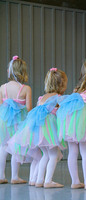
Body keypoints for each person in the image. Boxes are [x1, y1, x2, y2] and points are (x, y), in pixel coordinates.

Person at [8, 68, 68, 188]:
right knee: (53, 155)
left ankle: (39, 180)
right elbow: (61, 114)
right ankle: (48, 181)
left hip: (37, 130)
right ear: (61, 84)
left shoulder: (42, 97)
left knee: (45, 155)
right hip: (49, 129)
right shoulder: (58, 97)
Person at [57, 58, 86, 190]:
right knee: (85, 151)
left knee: (72, 151)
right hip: (84, 120)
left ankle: (75, 181)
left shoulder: (77, 89)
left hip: (70, 120)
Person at [0, 55, 32, 184]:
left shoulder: (2, 88)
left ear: (10, 71)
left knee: (2, 147)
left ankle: (1, 176)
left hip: (4, 121)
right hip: (20, 121)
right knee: (16, 148)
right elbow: (29, 108)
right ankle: (14, 176)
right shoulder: (25, 89)